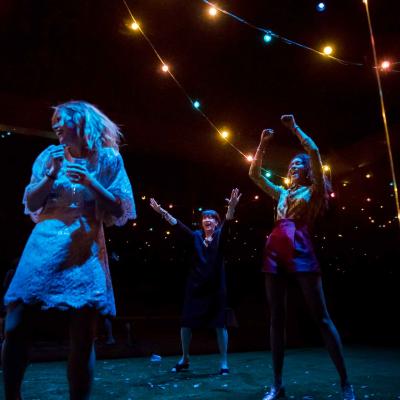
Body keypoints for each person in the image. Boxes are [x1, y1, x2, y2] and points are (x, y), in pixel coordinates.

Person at [2, 100, 136, 400]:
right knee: (17, 322)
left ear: (82, 122)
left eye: (61, 120)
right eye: (54, 123)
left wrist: (91, 182)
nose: (56, 126)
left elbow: (118, 210)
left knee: (83, 333)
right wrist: (51, 174)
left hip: (84, 246)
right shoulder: (48, 156)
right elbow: (32, 205)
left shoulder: (109, 160)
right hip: (45, 242)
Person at [249, 115, 356, 400]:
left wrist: (294, 129)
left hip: (301, 246)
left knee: (321, 317)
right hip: (274, 248)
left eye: (299, 164)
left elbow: (315, 152)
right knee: (276, 319)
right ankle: (277, 384)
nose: (294, 167)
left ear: (307, 171)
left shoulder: (315, 190)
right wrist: (262, 144)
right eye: (291, 165)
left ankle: (345, 382)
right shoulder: (281, 192)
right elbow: (254, 175)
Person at [149, 188, 241, 375]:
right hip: (195, 288)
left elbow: (229, 222)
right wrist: (162, 212)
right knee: (186, 323)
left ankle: (224, 362)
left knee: (220, 324)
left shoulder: (220, 237)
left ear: (217, 222)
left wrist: (231, 208)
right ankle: (185, 358)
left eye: (212, 218)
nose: (207, 220)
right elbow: (178, 226)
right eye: (204, 218)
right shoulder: (196, 237)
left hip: (216, 289)